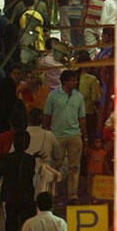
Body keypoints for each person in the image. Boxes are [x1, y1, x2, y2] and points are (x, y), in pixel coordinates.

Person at [43, 69, 86, 203]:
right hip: (57, 135)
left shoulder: (79, 97)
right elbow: (47, 116)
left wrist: (83, 135)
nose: (76, 82)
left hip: (74, 135)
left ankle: (72, 195)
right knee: (55, 165)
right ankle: (52, 193)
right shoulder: (53, 96)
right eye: (73, 80)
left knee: (74, 166)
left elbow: (82, 117)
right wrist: (47, 133)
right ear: (65, 81)